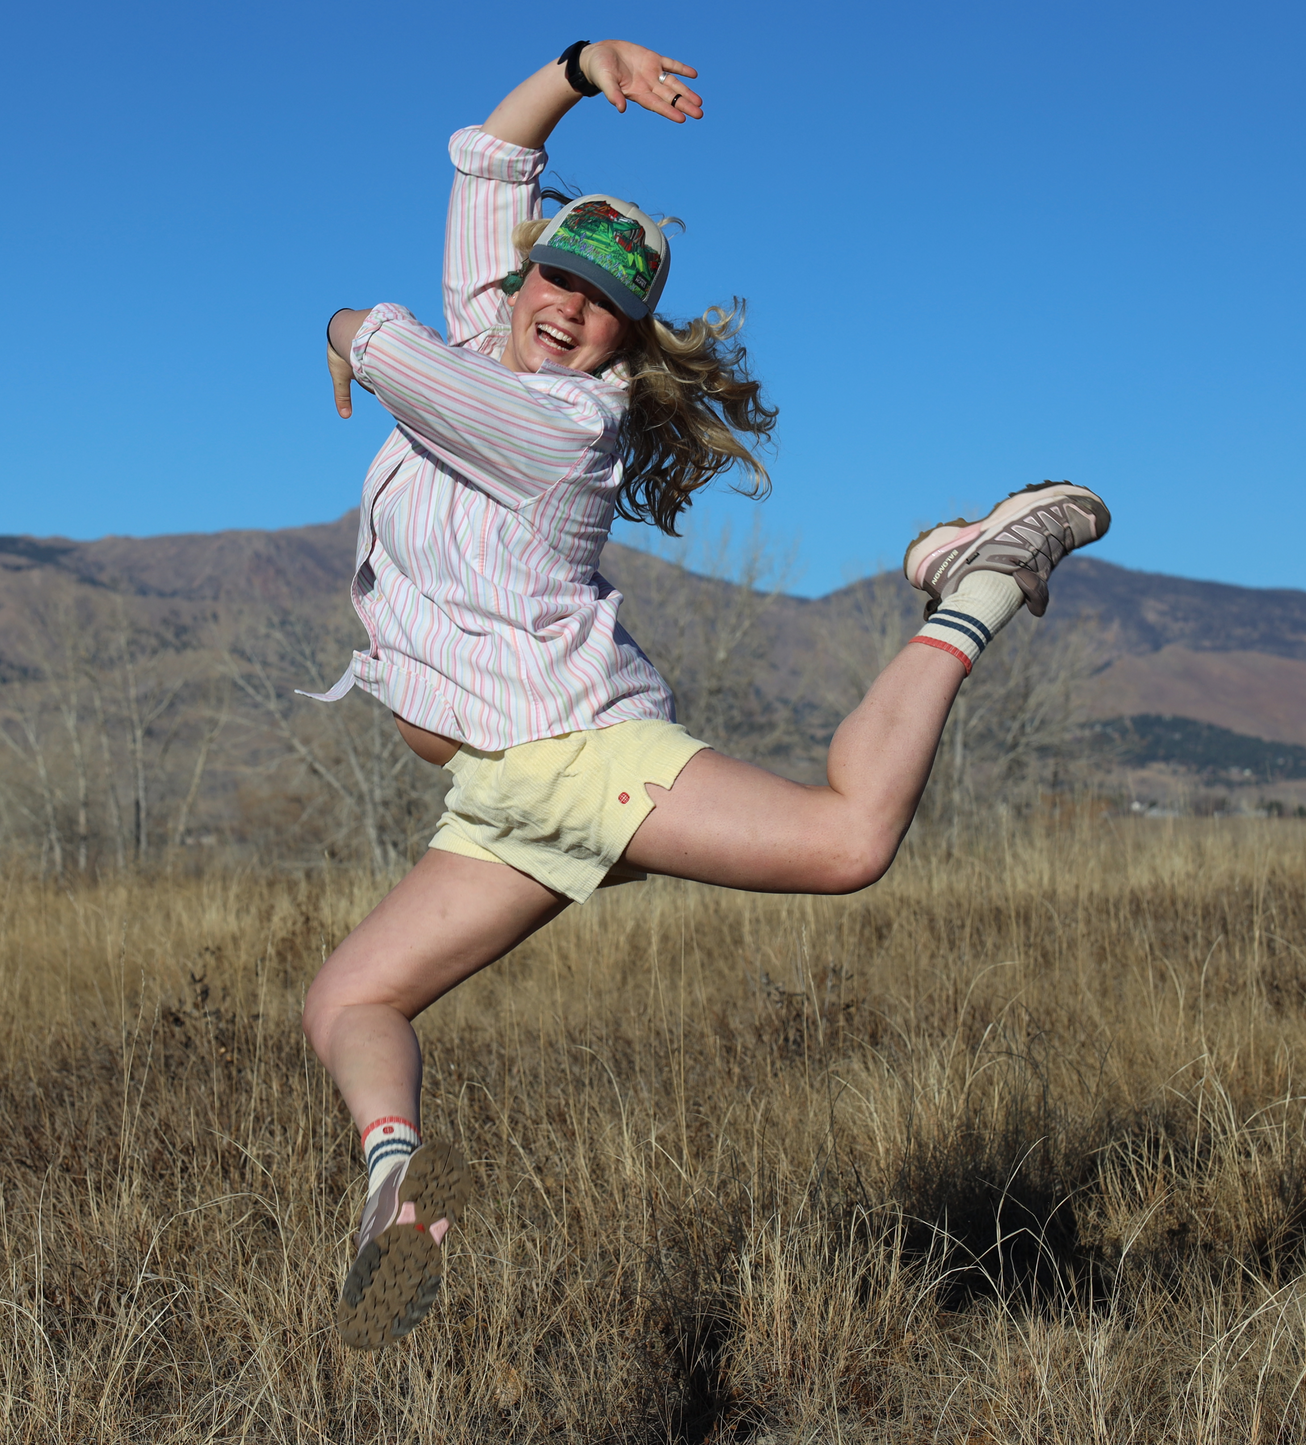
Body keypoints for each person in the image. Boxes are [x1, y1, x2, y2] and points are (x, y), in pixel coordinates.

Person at [304, 38, 1111, 1351]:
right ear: (525, 280)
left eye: (602, 302)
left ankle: (979, 580)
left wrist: (346, 326)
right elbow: (493, 159)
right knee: (349, 1000)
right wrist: (579, 65)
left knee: (849, 841)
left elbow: (395, 353)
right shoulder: (489, 330)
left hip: (575, 754)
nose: (567, 307)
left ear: (627, 334)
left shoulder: (562, 424)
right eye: (555, 277)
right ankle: (389, 1194)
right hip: (498, 798)